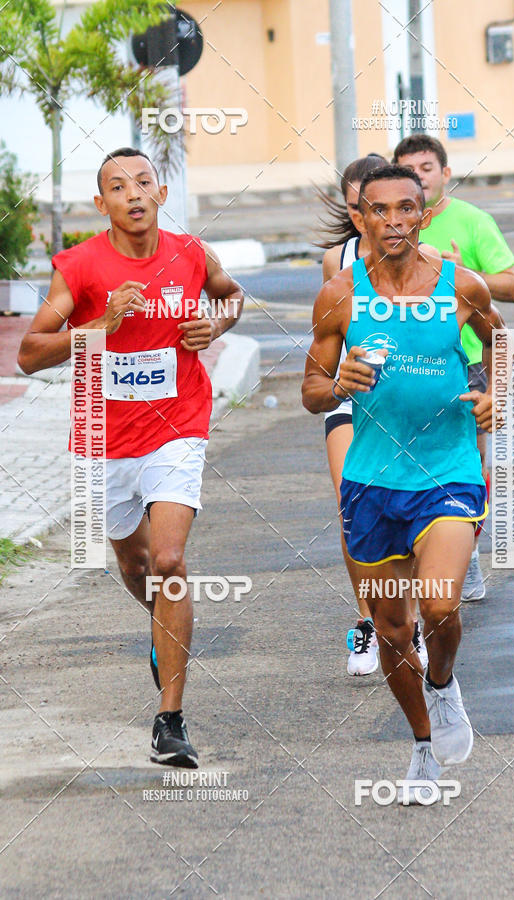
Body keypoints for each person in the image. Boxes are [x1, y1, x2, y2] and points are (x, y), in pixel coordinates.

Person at [17, 148, 244, 768]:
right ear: (102, 204)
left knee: (170, 558)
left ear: (161, 193)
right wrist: (101, 325)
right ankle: (163, 631)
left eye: (144, 182)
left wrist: (215, 326)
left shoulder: (191, 253)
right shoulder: (82, 265)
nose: (134, 194)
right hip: (101, 433)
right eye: (118, 187)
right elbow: (31, 354)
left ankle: (170, 720)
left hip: (179, 425)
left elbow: (231, 295)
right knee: (137, 562)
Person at [302, 165, 504, 800]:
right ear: (360, 219)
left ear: (425, 214)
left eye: (406, 208)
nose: (394, 221)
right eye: (379, 210)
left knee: (440, 604)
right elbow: (310, 390)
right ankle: (422, 743)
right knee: (392, 630)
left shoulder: (460, 286)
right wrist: (337, 386)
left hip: (447, 472)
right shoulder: (340, 295)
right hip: (371, 483)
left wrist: (490, 391)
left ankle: (442, 685)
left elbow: (497, 340)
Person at [318, 153, 435, 676]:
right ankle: (369, 620)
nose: (379, 220)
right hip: (352, 396)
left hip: (410, 398)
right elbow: (324, 350)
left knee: (409, 505)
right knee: (353, 502)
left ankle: (408, 621)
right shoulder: (336, 263)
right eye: (360, 209)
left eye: (394, 209)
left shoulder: (424, 260)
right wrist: (338, 380)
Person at [393, 135, 514, 601]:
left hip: (465, 364)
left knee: (466, 464)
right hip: (399, 369)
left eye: (428, 167)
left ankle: (461, 556)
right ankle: (422, 556)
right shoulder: (392, 225)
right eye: (410, 168)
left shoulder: (473, 221)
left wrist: (466, 275)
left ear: (445, 173)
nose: (420, 175)